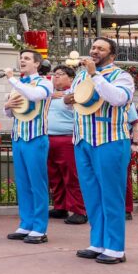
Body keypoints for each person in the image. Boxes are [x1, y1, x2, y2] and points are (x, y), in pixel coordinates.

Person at [66, 37, 134, 264]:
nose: (94, 51)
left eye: (100, 48)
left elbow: (118, 98)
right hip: (83, 139)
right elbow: (74, 99)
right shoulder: (80, 75)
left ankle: (115, 247)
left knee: (111, 195)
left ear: (111, 54)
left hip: (110, 139)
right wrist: (68, 98)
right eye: (93, 47)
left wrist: (95, 75)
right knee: (92, 194)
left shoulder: (122, 76)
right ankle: (97, 242)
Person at [4, 50, 54, 244]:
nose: (22, 61)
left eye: (26, 58)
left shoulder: (44, 82)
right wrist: (7, 105)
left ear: (37, 64)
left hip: (36, 137)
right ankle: (25, 224)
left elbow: (33, 96)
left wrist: (12, 79)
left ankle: (40, 228)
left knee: (37, 183)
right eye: (21, 58)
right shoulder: (18, 84)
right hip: (18, 137)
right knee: (23, 183)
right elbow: (9, 113)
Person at [46, 65, 87, 225]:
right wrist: (51, 95)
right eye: (54, 74)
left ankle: (79, 210)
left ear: (70, 79)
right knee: (55, 176)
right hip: (49, 138)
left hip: (67, 139)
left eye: (60, 74)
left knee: (72, 176)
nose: (55, 77)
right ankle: (60, 206)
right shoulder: (48, 94)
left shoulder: (74, 93)